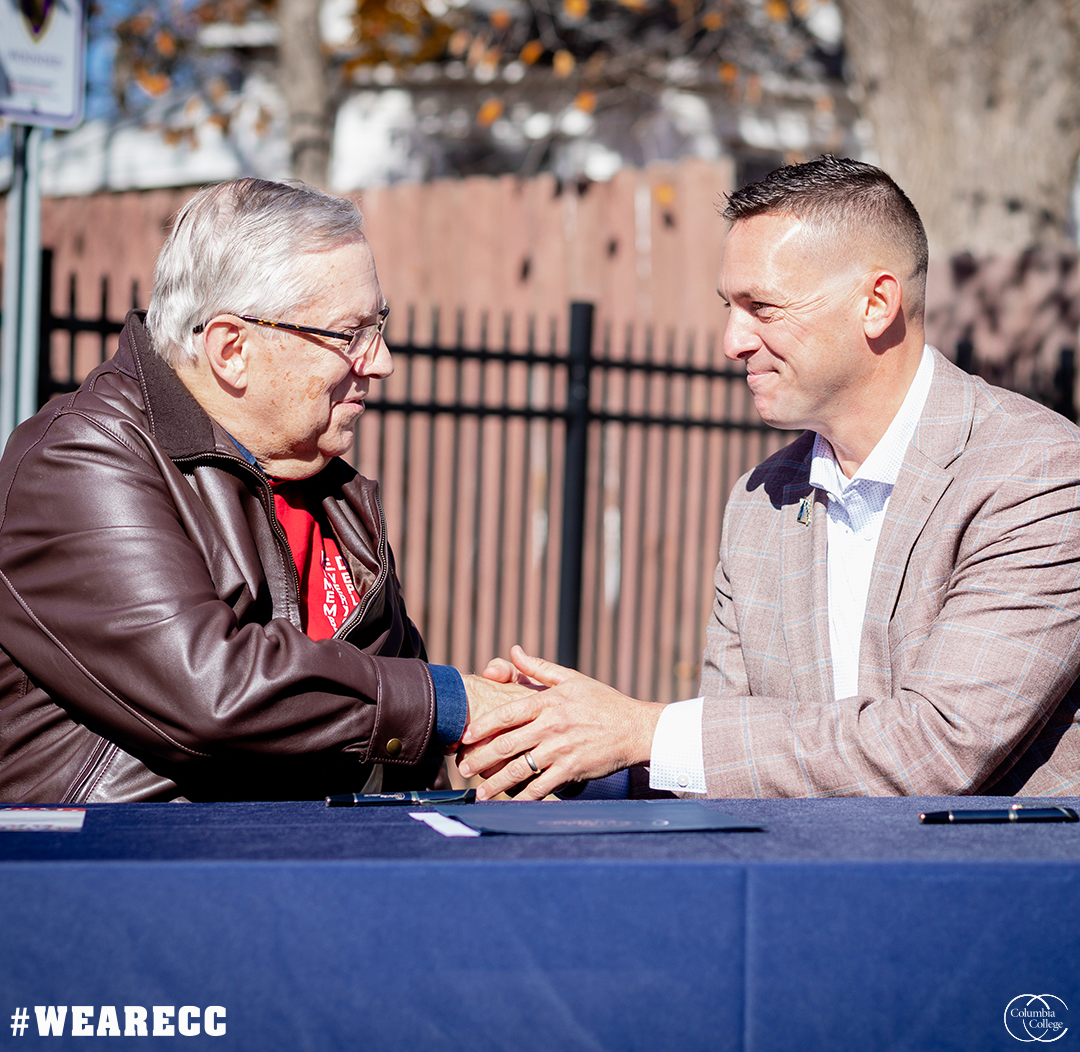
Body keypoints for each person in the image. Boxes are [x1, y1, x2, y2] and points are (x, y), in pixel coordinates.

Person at [458, 156, 1080, 800]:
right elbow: (739, 765)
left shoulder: (1036, 475)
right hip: (791, 889)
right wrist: (549, 745)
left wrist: (642, 731)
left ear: (876, 303)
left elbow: (933, 752)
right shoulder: (761, 499)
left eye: (763, 307)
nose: (732, 340)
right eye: (730, 306)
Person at [0, 178, 509, 802]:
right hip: (120, 875)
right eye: (349, 334)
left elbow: (391, 726)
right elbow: (211, 689)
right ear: (232, 350)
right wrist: (452, 702)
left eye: (378, 325)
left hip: (298, 875)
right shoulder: (79, 457)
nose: (380, 362)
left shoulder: (327, 488)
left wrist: (497, 751)